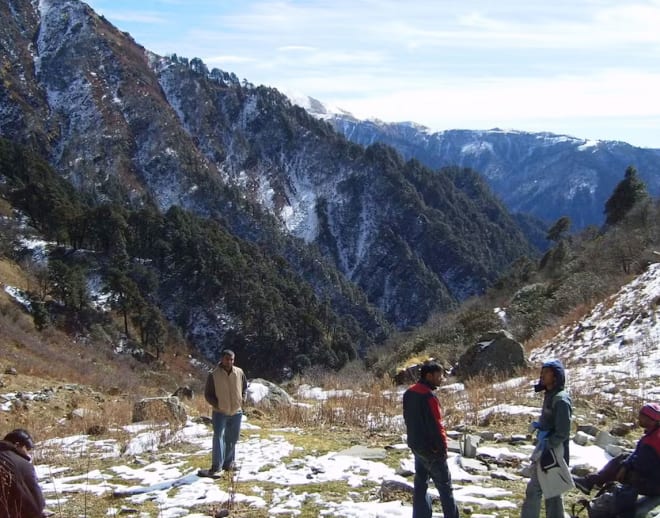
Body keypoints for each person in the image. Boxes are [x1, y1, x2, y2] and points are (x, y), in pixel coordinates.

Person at [572, 402, 660, 517]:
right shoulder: (653, 434)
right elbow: (638, 455)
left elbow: (642, 464)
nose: (639, 418)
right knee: (624, 457)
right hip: (653, 478)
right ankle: (592, 481)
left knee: (630, 476)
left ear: (651, 419)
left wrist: (625, 467)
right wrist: (626, 464)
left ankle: (592, 483)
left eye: (641, 415)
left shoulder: (653, 440)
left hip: (654, 483)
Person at [403, 362, 459, 518]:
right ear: (429, 376)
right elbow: (436, 424)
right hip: (432, 450)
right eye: (439, 375)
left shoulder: (409, 392)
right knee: (445, 488)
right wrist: (442, 448)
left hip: (416, 446)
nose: (442, 379)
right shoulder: (429, 396)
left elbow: (407, 418)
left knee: (421, 485)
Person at [521, 359, 573, 518]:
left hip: (552, 451)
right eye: (542, 372)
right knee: (553, 491)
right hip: (549, 449)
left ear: (556, 376)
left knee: (535, 489)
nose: (542, 375)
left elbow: (563, 431)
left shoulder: (561, 399)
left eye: (546, 372)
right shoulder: (551, 395)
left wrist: (547, 445)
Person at [198, 349, 247, 477]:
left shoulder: (239, 372)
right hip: (220, 412)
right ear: (221, 359)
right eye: (227, 359)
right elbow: (208, 394)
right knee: (218, 437)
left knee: (232, 438)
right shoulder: (213, 374)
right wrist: (218, 405)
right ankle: (216, 467)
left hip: (236, 412)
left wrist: (242, 399)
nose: (229, 362)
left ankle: (229, 463)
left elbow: (244, 387)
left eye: (232, 359)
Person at [0, 428, 46, 517]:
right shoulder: (22, 464)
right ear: (18, 445)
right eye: (27, 448)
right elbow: (36, 505)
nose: (28, 453)